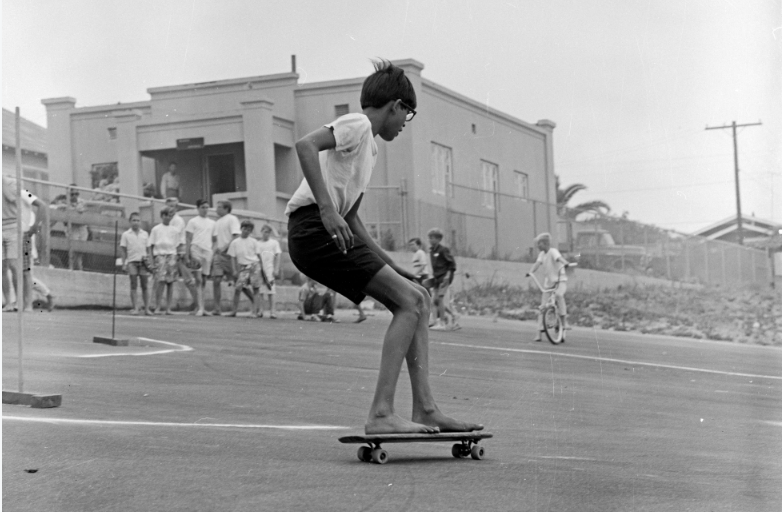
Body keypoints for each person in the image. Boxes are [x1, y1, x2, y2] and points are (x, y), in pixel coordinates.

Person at [286, 59, 481, 435]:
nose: (403, 126)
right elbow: (305, 145)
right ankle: (381, 414)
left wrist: (392, 265)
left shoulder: (369, 150)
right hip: (313, 227)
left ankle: (425, 409)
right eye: (406, 118)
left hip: (326, 229)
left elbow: (353, 217)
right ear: (396, 106)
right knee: (411, 301)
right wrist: (327, 209)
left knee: (417, 296)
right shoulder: (358, 124)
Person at [2, 176, 49, 312]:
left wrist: (36, 226)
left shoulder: (23, 193)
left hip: (24, 234)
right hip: (16, 232)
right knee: (17, 270)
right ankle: (20, 303)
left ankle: (27, 304)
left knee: (25, 271)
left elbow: (42, 205)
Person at [527, 232, 570, 342]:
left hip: (560, 281)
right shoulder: (542, 254)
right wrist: (530, 272)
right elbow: (537, 263)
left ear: (545, 243)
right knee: (543, 307)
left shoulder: (553, 251)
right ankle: (539, 334)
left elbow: (559, 258)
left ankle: (564, 324)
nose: (537, 246)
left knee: (559, 295)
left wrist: (565, 262)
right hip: (549, 284)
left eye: (539, 243)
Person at [166, 196, 198, 312]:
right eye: (169, 206)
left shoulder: (177, 220)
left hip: (180, 251)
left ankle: (198, 304)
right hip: (172, 251)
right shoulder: (168, 219)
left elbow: (173, 236)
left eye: (173, 206)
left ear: (176, 207)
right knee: (170, 279)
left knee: (188, 279)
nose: (171, 208)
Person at [148, 207, 182, 315]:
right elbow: (150, 246)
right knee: (160, 282)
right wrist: (152, 261)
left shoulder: (174, 230)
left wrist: (176, 258)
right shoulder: (156, 229)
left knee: (170, 282)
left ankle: (168, 308)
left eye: (170, 215)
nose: (168, 217)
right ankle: (158, 306)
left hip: (171, 256)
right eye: (166, 215)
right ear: (162, 216)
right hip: (160, 256)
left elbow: (176, 245)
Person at [210, 200, 242, 315]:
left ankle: (255, 303)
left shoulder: (232, 219)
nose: (216, 209)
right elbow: (215, 240)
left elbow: (236, 236)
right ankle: (217, 308)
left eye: (219, 207)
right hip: (219, 255)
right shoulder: (217, 222)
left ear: (226, 209)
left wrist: (225, 247)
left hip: (230, 255)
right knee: (216, 280)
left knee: (238, 281)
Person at [185, 199, 215, 316]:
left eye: (207, 207)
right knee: (198, 279)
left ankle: (200, 306)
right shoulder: (193, 221)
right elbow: (188, 239)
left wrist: (212, 250)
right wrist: (187, 255)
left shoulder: (213, 223)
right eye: (203, 207)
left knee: (204, 280)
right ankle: (200, 308)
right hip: (196, 249)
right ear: (198, 208)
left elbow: (215, 240)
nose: (205, 209)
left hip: (207, 251)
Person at [227, 220, 262, 317]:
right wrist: (234, 269)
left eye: (249, 230)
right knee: (238, 288)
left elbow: (259, 256)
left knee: (255, 288)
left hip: (254, 266)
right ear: (241, 228)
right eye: (245, 229)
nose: (246, 231)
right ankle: (234, 311)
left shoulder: (254, 241)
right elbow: (232, 257)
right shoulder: (235, 242)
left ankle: (255, 312)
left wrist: (261, 269)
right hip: (243, 268)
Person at [119, 212, 152, 315]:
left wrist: (150, 262)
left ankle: (147, 308)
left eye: (138, 220)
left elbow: (148, 249)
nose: (136, 222)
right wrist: (124, 263)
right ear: (130, 221)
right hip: (132, 262)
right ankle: (136, 308)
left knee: (145, 285)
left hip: (143, 263)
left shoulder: (145, 234)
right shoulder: (126, 234)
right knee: (133, 285)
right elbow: (123, 250)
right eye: (134, 220)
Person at [427, 228, 459, 330]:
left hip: (444, 277)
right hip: (437, 278)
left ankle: (442, 323)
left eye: (432, 238)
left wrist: (447, 276)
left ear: (439, 239)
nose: (430, 240)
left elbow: (452, 264)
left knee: (440, 299)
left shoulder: (443, 250)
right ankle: (436, 321)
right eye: (429, 238)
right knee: (434, 301)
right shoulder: (432, 251)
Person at [257, 224, 282, 319]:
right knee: (260, 291)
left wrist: (276, 269)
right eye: (264, 232)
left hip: (270, 269)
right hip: (260, 269)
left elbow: (278, 255)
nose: (266, 234)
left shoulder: (274, 243)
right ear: (261, 232)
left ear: (270, 233)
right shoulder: (258, 244)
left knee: (271, 290)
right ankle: (260, 311)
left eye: (268, 232)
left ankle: (273, 312)